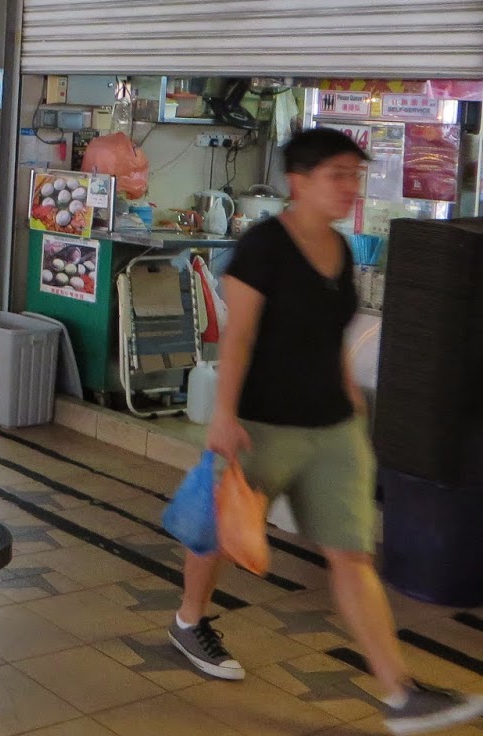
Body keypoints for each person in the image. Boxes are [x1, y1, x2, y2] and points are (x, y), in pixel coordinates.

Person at [171, 128, 483, 734]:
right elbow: (238, 337)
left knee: (351, 555)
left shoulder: (340, 250)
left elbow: (330, 337)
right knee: (221, 532)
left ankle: (400, 692)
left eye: (355, 175)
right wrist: (224, 417)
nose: (350, 187)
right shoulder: (263, 248)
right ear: (299, 180)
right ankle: (189, 621)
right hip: (263, 425)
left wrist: (351, 404)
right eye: (338, 175)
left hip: (332, 430)